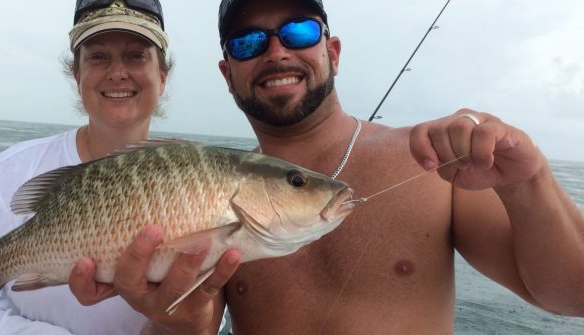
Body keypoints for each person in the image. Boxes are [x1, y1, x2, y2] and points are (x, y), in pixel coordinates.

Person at [70, 0, 584, 334]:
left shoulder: (430, 163)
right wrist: (174, 316)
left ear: (332, 51)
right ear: (228, 73)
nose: (275, 52)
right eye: (249, 41)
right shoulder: (207, 194)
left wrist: (530, 183)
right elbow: (191, 326)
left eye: (297, 31)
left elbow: (571, 295)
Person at [0, 0, 175, 334]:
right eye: (98, 56)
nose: (117, 72)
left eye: (136, 55)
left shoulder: (203, 185)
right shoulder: (5, 176)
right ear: (78, 74)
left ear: (163, 76)